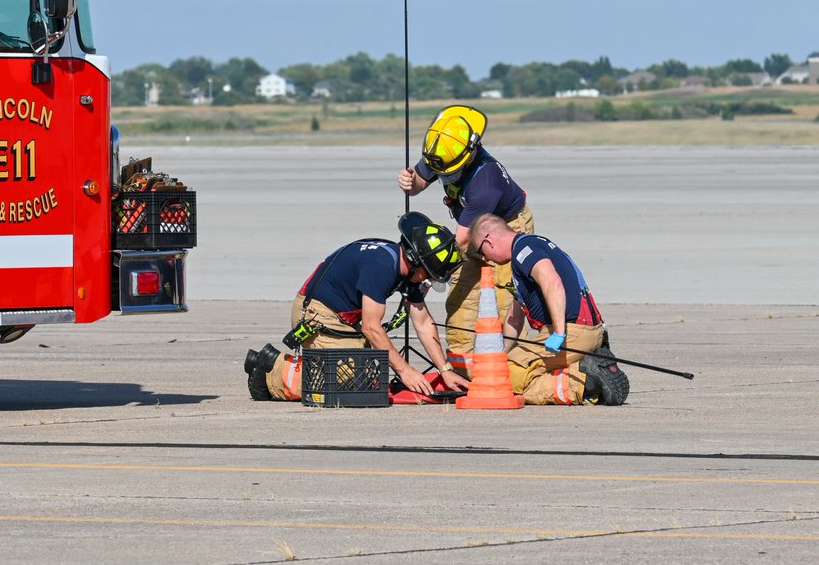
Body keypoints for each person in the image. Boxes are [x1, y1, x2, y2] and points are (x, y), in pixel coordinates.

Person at [245, 212, 472, 401]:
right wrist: (405, 371)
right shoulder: (382, 266)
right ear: (417, 263)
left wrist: (445, 370)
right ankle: (270, 371)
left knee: (369, 377)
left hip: (341, 319)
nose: (428, 282)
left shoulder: (405, 266)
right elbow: (372, 328)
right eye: (429, 276)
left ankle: (285, 364)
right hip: (318, 315)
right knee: (350, 380)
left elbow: (422, 322)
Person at [397, 105, 534, 377]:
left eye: (449, 173)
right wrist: (409, 182)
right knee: (460, 301)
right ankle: (462, 373)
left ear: (469, 156)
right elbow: (420, 182)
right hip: (468, 229)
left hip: (506, 232)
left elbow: (459, 242)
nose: (444, 177)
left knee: (506, 306)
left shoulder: (485, 183)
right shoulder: (444, 149)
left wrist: (425, 277)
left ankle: (511, 372)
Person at [468, 214, 628, 405]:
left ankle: (585, 383)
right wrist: (499, 354)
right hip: (587, 332)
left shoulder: (524, 250)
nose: (486, 259)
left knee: (504, 378)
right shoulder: (532, 247)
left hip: (571, 333)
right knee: (501, 367)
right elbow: (515, 317)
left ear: (489, 241)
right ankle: (587, 369)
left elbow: (551, 281)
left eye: (481, 252)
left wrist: (559, 333)